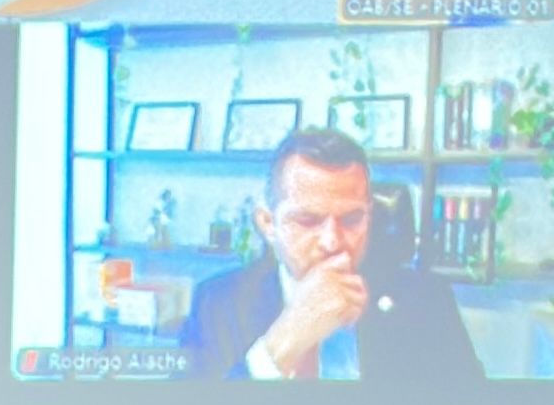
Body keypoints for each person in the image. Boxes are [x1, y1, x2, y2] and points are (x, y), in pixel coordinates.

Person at [178, 131, 485, 382]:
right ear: (268, 223)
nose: (332, 242)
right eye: (307, 220)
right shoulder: (217, 302)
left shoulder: (426, 300)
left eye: (352, 220)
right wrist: (282, 344)